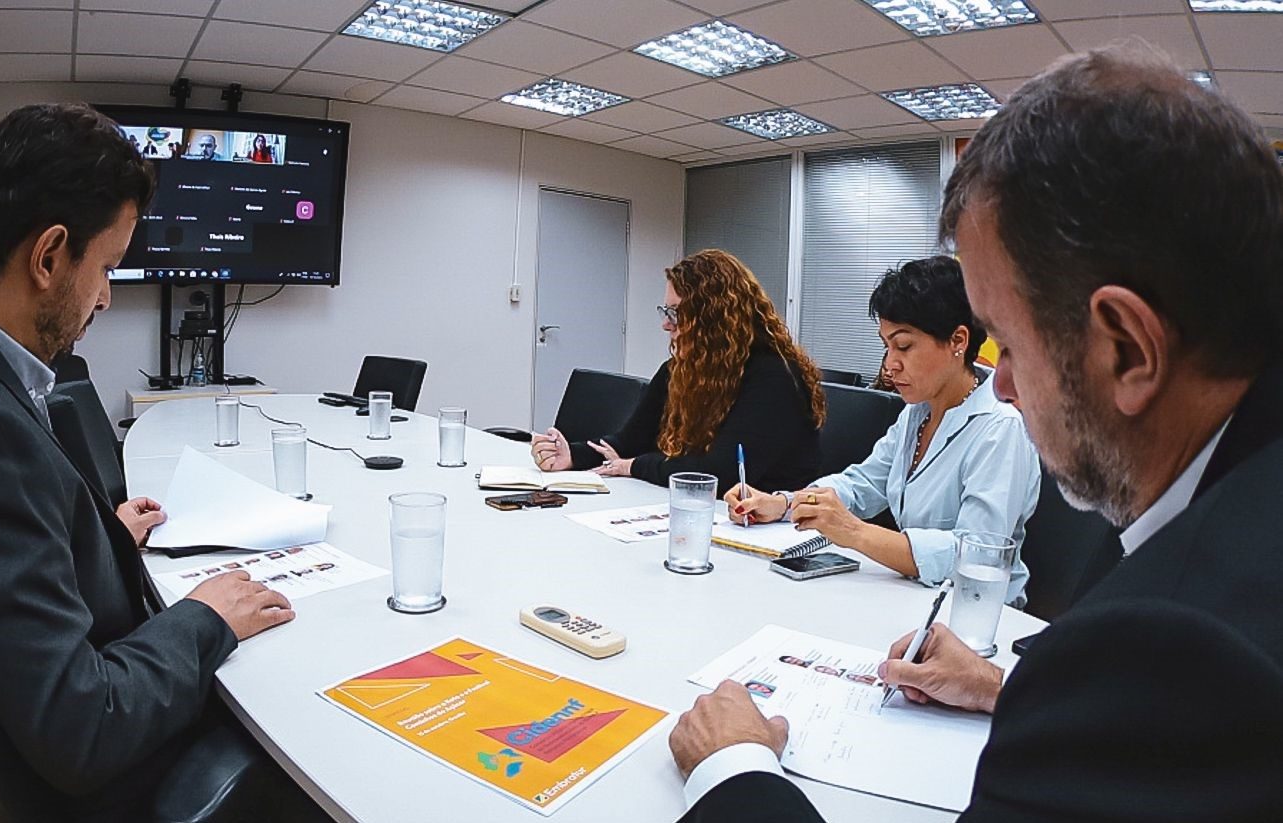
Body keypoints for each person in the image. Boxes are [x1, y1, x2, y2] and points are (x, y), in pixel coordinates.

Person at [671, 44, 1283, 822]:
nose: (1002, 380)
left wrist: (735, 769)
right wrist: (1007, 688)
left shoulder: (1168, 650)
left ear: (1128, 348)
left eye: (1010, 343)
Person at [0, 104, 310, 820]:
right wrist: (202, 616)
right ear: (50, 255)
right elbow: (80, 726)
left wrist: (95, 534)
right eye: (108, 268)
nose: (105, 298)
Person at [727, 256, 1039, 604]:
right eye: (886, 346)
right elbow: (862, 484)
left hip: (977, 615)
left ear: (958, 340)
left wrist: (854, 532)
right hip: (915, 596)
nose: (890, 365)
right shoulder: (917, 413)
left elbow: (977, 556)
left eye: (903, 346)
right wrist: (782, 502)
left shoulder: (1000, 428)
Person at [529, 249, 826, 492]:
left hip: (769, 527)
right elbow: (628, 442)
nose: (666, 324)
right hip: (706, 512)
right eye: (666, 311)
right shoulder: (680, 370)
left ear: (715, 318)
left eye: (677, 313)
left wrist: (634, 465)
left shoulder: (774, 377)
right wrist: (573, 456)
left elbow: (719, 475)